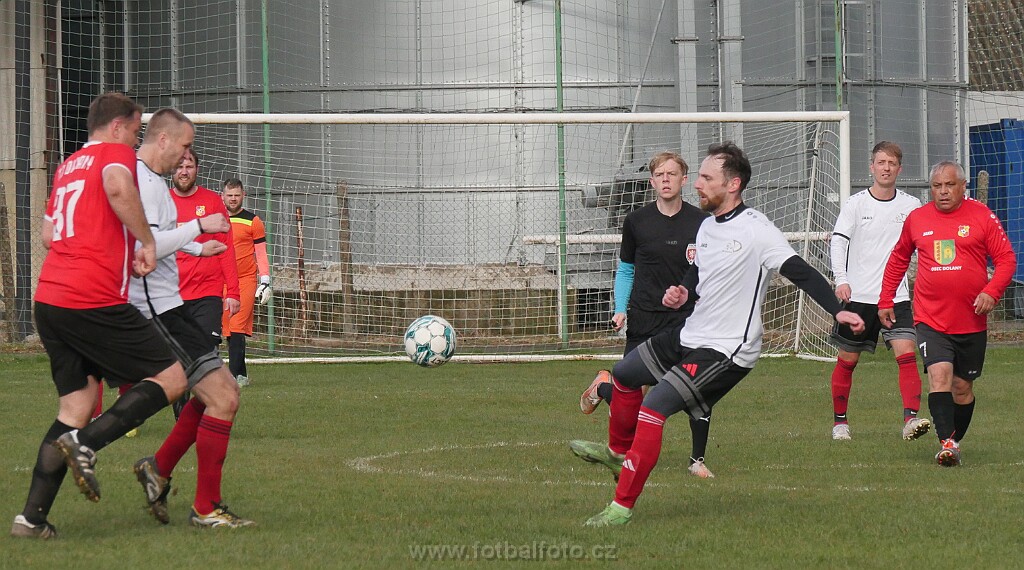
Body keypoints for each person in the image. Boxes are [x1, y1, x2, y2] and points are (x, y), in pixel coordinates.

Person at [574, 142, 865, 527]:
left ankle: (620, 508)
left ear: (733, 184)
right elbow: (698, 274)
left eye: (706, 178)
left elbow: (800, 271)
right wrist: (683, 292)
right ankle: (616, 454)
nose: (697, 184)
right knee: (625, 374)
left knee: (654, 407)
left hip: (728, 349)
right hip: (691, 332)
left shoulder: (757, 229)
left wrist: (837, 309)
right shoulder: (708, 226)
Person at [11, 93, 191, 539]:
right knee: (172, 378)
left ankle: (31, 520)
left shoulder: (67, 166)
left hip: (50, 298)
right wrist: (145, 241)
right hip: (91, 297)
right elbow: (116, 187)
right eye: (134, 130)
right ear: (117, 127)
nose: (135, 140)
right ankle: (85, 445)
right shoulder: (115, 155)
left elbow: (50, 235)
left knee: (75, 407)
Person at [120, 108, 253, 528]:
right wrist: (199, 229)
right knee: (223, 397)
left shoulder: (150, 182)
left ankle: (157, 468)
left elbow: (159, 238)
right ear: (163, 139)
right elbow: (148, 245)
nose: (186, 156)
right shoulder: (142, 182)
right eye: (185, 145)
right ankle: (205, 507)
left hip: (175, 307)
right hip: (158, 311)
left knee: (217, 392)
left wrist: (198, 247)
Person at [575, 152, 714, 478]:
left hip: (685, 321)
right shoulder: (636, 221)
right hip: (644, 319)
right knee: (632, 400)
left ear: (684, 180)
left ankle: (697, 461)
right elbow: (626, 270)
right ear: (652, 182)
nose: (666, 179)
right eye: (660, 174)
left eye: (672, 173)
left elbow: (708, 271)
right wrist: (619, 309)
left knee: (697, 388)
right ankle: (604, 388)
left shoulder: (702, 223)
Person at [878, 161, 1016, 467]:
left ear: (963, 186)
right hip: (930, 318)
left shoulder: (982, 216)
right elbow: (899, 259)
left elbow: (1006, 259)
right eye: (937, 186)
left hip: (971, 320)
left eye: (949, 185)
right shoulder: (918, 219)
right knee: (939, 376)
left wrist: (991, 292)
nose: (942, 191)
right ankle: (948, 444)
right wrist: (886, 298)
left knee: (962, 389)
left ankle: (953, 439)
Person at [827, 141, 930, 441]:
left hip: (896, 297)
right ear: (871, 167)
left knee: (906, 352)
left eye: (892, 163)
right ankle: (840, 423)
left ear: (900, 169)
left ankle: (910, 420)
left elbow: (925, 244)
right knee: (848, 360)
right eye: (881, 162)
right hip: (859, 297)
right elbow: (838, 241)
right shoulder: (856, 203)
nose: (886, 168)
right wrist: (841, 279)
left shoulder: (911, 206)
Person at [170, 148, 242, 417]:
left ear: (197, 169)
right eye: (179, 166)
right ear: (171, 170)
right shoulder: (163, 204)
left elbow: (226, 247)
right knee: (179, 361)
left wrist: (233, 291)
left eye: (188, 166)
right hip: (172, 296)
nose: (184, 171)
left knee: (205, 358)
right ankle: (182, 419)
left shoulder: (212, 202)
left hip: (207, 294)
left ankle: (205, 417)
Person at [221, 178, 271, 387]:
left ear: (244, 195)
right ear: (223, 196)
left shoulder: (253, 221)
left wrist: (265, 280)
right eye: (229, 195)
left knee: (237, 325)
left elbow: (261, 253)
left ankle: (232, 379)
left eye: (236, 195)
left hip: (246, 280)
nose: (233, 199)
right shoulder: (216, 220)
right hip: (222, 281)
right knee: (228, 329)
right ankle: (241, 374)